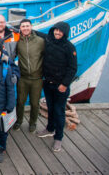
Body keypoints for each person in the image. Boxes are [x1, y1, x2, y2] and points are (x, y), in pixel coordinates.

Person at [37, 22, 77, 152]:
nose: (57, 33)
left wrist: (65, 84)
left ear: (65, 33)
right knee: (51, 108)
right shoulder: (48, 40)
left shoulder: (69, 48)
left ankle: (58, 137)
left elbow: (72, 68)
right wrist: (23, 29)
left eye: (60, 31)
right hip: (48, 83)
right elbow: (38, 34)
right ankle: (49, 128)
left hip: (60, 87)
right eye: (56, 30)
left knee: (59, 112)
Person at [13, 19, 45, 133]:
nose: (25, 28)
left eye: (27, 26)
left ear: (31, 27)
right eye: (23, 26)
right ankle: (19, 120)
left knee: (34, 103)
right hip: (23, 77)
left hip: (37, 78)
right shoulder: (18, 41)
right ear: (20, 28)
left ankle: (33, 123)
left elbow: (48, 56)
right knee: (20, 101)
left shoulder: (40, 41)